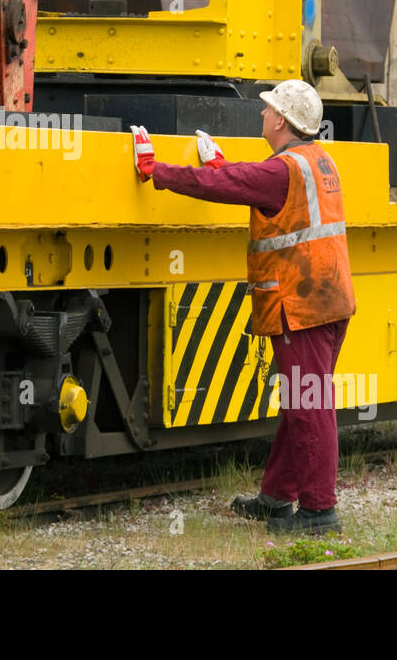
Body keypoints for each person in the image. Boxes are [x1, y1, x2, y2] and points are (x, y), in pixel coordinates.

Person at [131, 79, 356, 533]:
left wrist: (157, 170)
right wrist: (222, 164)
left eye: (268, 109)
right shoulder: (316, 160)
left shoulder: (282, 170)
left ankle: (319, 511)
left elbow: (232, 185)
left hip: (301, 306)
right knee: (301, 403)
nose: (261, 115)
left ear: (282, 121)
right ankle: (276, 498)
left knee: (309, 406)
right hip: (328, 301)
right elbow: (259, 188)